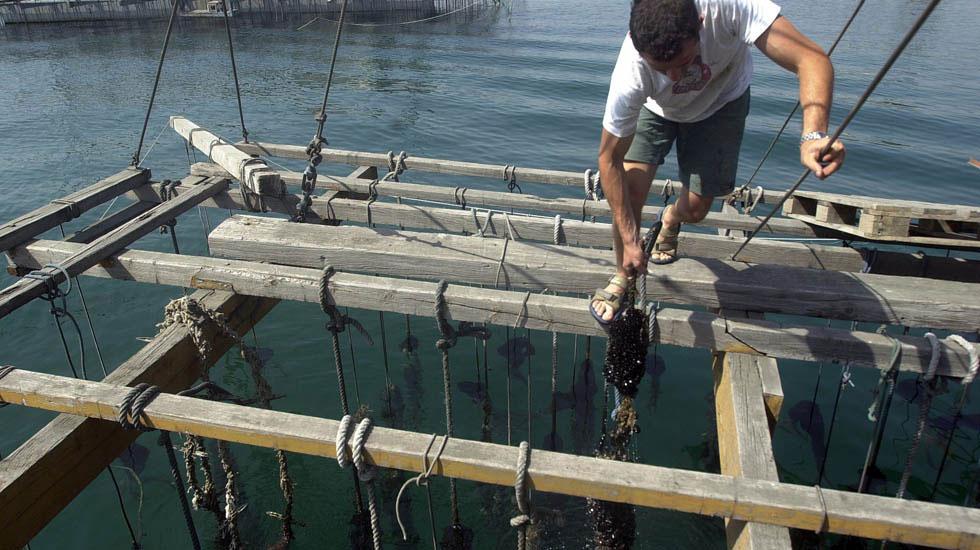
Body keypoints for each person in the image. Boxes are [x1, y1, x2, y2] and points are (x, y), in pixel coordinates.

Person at [590, 0, 847, 324]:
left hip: (721, 102)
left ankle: (671, 217)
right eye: (661, 68)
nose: (674, 76)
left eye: (683, 62)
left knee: (697, 209)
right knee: (631, 189)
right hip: (654, 108)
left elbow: (811, 58)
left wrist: (813, 134)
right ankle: (622, 275)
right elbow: (609, 157)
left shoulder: (730, 7)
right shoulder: (632, 71)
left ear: (700, 23)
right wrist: (630, 239)